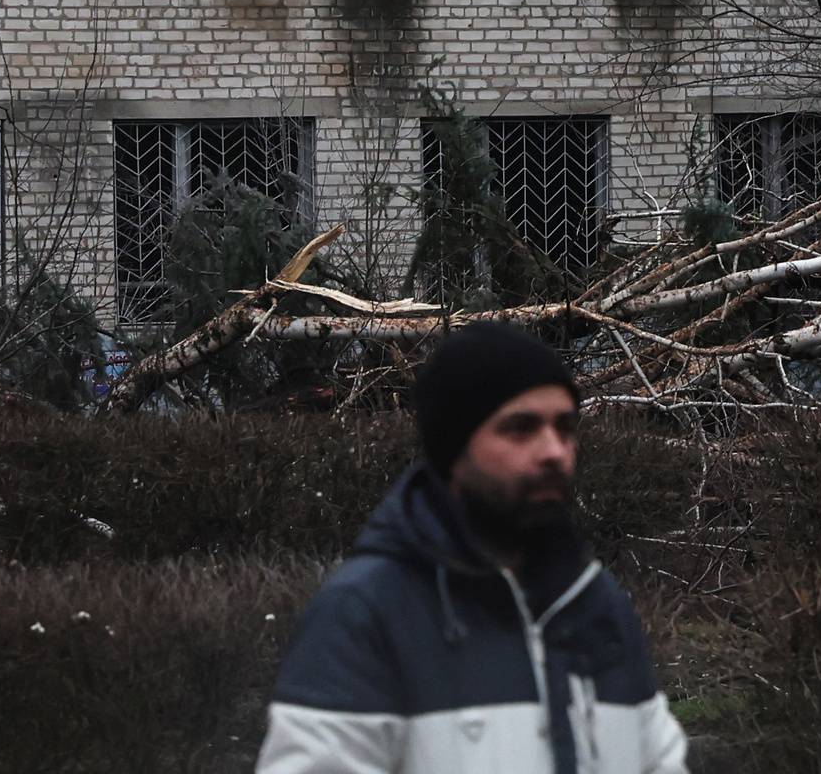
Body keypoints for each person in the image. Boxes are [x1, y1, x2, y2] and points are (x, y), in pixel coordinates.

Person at [256, 325, 690, 774]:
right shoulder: (368, 613)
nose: (554, 452)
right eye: (521, 428)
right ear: (454, 445)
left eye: (565, 427)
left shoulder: (595, 605)